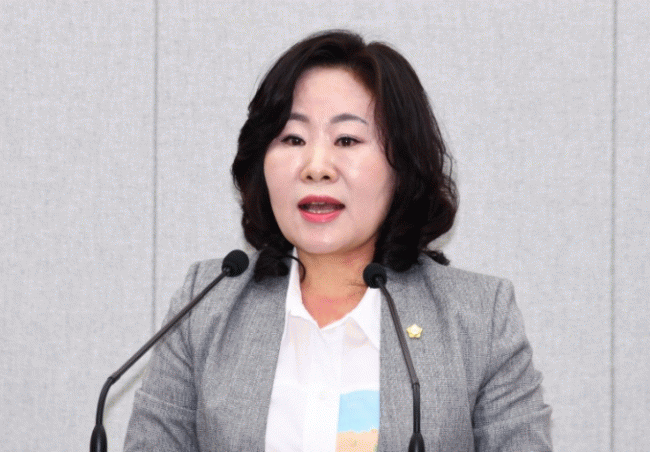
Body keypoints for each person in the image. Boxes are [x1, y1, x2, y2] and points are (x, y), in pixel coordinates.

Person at [124, 30, 552, 451]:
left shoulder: (478, 320)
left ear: (402, 164)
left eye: (347, 140)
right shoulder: (207, 306)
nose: (316, 166)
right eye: (293, 139)